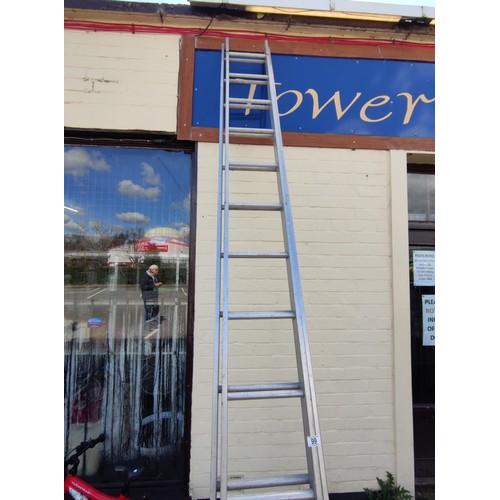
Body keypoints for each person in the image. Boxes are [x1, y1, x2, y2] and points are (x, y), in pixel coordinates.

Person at [139, 264, 163, 330]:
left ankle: (152, 323)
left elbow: (155, 284)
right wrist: (154, 285)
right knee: (148, 311)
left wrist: (158, 285)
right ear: (152, 270)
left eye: (157, 269)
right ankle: (147, 326)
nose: (158, 271)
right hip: (148, 296)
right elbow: (143, 287)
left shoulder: (155, 276)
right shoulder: (145, 276)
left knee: (156, 308)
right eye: (156, 269)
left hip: (154, 296)